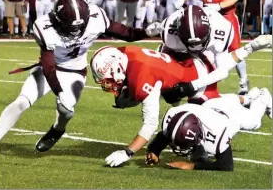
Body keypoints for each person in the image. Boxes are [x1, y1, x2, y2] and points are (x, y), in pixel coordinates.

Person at [0, 0, 163, 153]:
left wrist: (146, 32)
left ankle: (57, 130)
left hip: (75, 72)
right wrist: (58, 90)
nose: (75, 32)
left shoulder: (96, 16)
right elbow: (49, 66)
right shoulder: (44, 26)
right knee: (22, 101)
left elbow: (125, 33)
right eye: (70, 27)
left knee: (66, 111)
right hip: (52, 69)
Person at [90, 34, 271, 167]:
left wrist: (128, 152)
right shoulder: (125, 54)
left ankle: (260, 97)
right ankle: (248, 95)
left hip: (195, 83)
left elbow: (150, 124)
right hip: (185, 66)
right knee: (218, 82)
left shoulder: (142, 78)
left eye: (108, 79)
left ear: (117, 69)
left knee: (213, 118)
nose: (107, 84)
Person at [147, 5, 270, 102]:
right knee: (167, 88)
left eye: (199, 42)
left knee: (201, 97)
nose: (196, 47)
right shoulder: (169, 33)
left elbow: (222, 71)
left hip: (207, 49)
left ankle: (249, 49)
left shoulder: (221, 29)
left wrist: (191, 86)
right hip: (180, 49)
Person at [146, 87, 272, 171]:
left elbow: (226, 165)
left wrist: (191, 166)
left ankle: (263, 95)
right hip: (212, 105)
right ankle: (249, 96)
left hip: (232, 117)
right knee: (233, 100)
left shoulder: (217, 132)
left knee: (255, 121)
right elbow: (166, 134)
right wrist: (154, 150)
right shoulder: (176, 116)